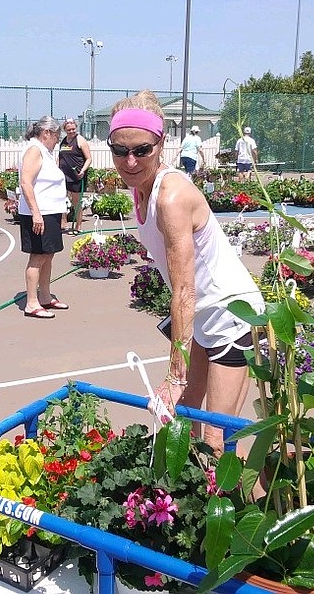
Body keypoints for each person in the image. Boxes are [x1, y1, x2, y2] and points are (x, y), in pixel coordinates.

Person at [108, 90, 264, 457]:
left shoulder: (171, 196)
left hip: (231, 316)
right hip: (202, 318)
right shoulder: (140, 189)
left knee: (215, 439)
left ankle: (236, 506)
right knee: (181, 421)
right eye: (120, 150)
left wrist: (175, 374)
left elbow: (183, 290)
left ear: (160, 144)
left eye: (141, 150)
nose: (130, 161)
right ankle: (185, 506)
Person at [18, 117, 69, 319]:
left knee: (49, 254)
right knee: (38, 257)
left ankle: (45, 297)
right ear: (46, 133)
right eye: (57, 136)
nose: (58, 140)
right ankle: (32, 302)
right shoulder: (34, 150)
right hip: (39, 213)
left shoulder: (45, 152)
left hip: (51, 212)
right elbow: (26, 183)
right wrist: (36, 214)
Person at [58, 118, 92, 234]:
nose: (71, 131)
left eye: (73, 129)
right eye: (69, 130)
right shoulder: (63, 141)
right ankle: (64, 223)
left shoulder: (80, 140)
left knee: (76, 202)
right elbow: (60, 157)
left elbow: (88, 159)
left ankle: (78, 226)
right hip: (63, 175)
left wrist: (83, 170)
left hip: (77, 175)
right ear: (65, 130)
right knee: (61, 199)